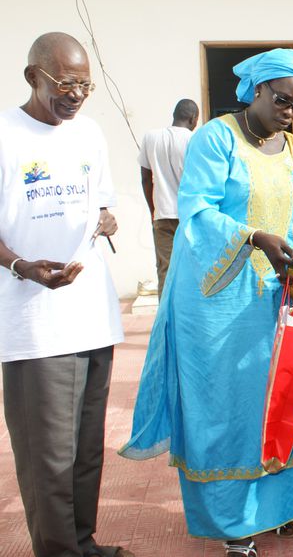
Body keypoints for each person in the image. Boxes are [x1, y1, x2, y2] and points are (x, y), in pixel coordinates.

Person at [121, 48, 293, 556]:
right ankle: (233, 523)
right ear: (257, 91)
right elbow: (196, 212)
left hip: (277, 300)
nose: (290, 112)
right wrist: (253, 237)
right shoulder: (216, 138)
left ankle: (278, 507)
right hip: (218, 301)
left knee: (285, 401)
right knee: (228, 409)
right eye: (283, 100)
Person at [0, 32, 129, 557]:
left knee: (85, 453)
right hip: (34, 321)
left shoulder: (90, 134)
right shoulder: (5, 134)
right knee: (47, 456)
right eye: (65, 83)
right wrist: (20, 265)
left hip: (92, 314)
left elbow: (103, 202)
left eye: (85, 85)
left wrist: (107, 218)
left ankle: (83, 543)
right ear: (33, 77)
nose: (76, 95)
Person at [138, 98, 198, 298]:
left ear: (174, 115)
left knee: (165, 270)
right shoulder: (194, 140)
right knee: (193, 270)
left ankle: (165, 321)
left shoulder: (150, 137)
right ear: (193, 119)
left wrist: (153, 210)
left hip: (162, 214)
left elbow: (146, 179)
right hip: (190, 217)